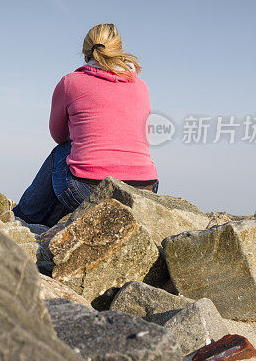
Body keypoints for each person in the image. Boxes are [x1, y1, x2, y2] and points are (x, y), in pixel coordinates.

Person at [12, 23, 158, 226]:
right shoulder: (142, 86)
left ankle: (24, 216)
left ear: (85, 52)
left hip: (88, 190)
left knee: (62, 153)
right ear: (119, 50)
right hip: (145, 189)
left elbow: (59, 136)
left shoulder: (70, 82)